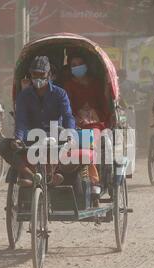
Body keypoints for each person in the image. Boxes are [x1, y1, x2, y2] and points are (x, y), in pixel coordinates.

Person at [0, 56, 76, 187]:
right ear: (30, 75)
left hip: (54, 137)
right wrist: (18, 139)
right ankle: (32, 177)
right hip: (30, 138)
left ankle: (51, 175)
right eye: (34, 74)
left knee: (67, 149)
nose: (38, 78)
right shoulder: (24, 96)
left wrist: (69, 135)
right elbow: (21, 120)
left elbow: (68, 116)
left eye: (42, 74)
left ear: (49, 75)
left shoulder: (60, 94)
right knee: (2, 145)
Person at [63, 53, 110, 207]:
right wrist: (76, 117)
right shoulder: (68, 86)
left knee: (90, 143)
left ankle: (94, 183)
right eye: (73, 64)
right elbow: (67, 108)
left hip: (95, 123)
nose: (77, 67)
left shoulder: (96, 84)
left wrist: (94, 114)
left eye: (79, 63)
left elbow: (104, 106)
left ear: (86, 65)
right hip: (75, 123)